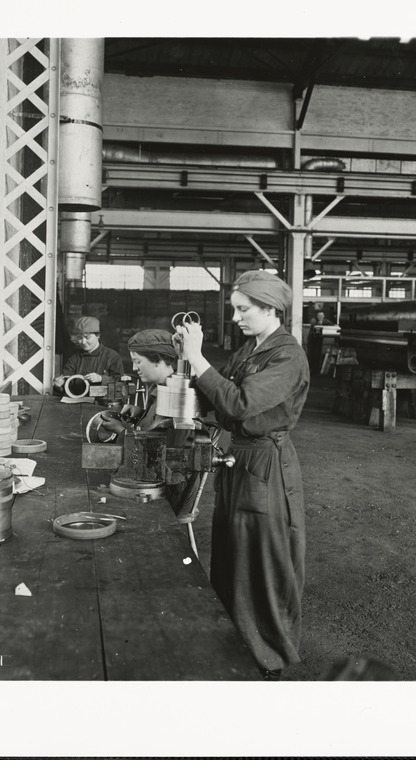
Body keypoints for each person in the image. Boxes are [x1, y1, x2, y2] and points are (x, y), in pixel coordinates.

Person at [174, 269, 310, 680]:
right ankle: (237, 647)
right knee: (234, 556)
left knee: (265, 562)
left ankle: (270, 659)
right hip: (242, 461)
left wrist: (199, 360)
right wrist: (181, 362)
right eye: (235, 309)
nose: (235, 317)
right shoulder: (252, 350)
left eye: (243, 309)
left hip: (267, 466)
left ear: (270, 309)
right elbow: (215, 394)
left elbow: (239, 403)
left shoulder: (287, 356)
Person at [98, 329, 199, 520]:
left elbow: (161, 455)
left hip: (167, 492)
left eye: (138, 361)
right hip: (151, 480)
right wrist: (140, 415)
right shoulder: (161, 388)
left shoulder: (176, 397)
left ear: (160, 360)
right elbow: (157, 428)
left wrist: (122, 431)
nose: (134, 368)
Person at [53, 316, 124, 392]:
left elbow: (121, 383)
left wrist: (101, 378)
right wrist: (58, 386)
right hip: (78, 400)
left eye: (87, 337)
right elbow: (65, 387)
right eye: (80, 338)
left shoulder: (112, 356)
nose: (83, 342)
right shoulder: (73, 359)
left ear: (98, 336)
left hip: (103, 402)